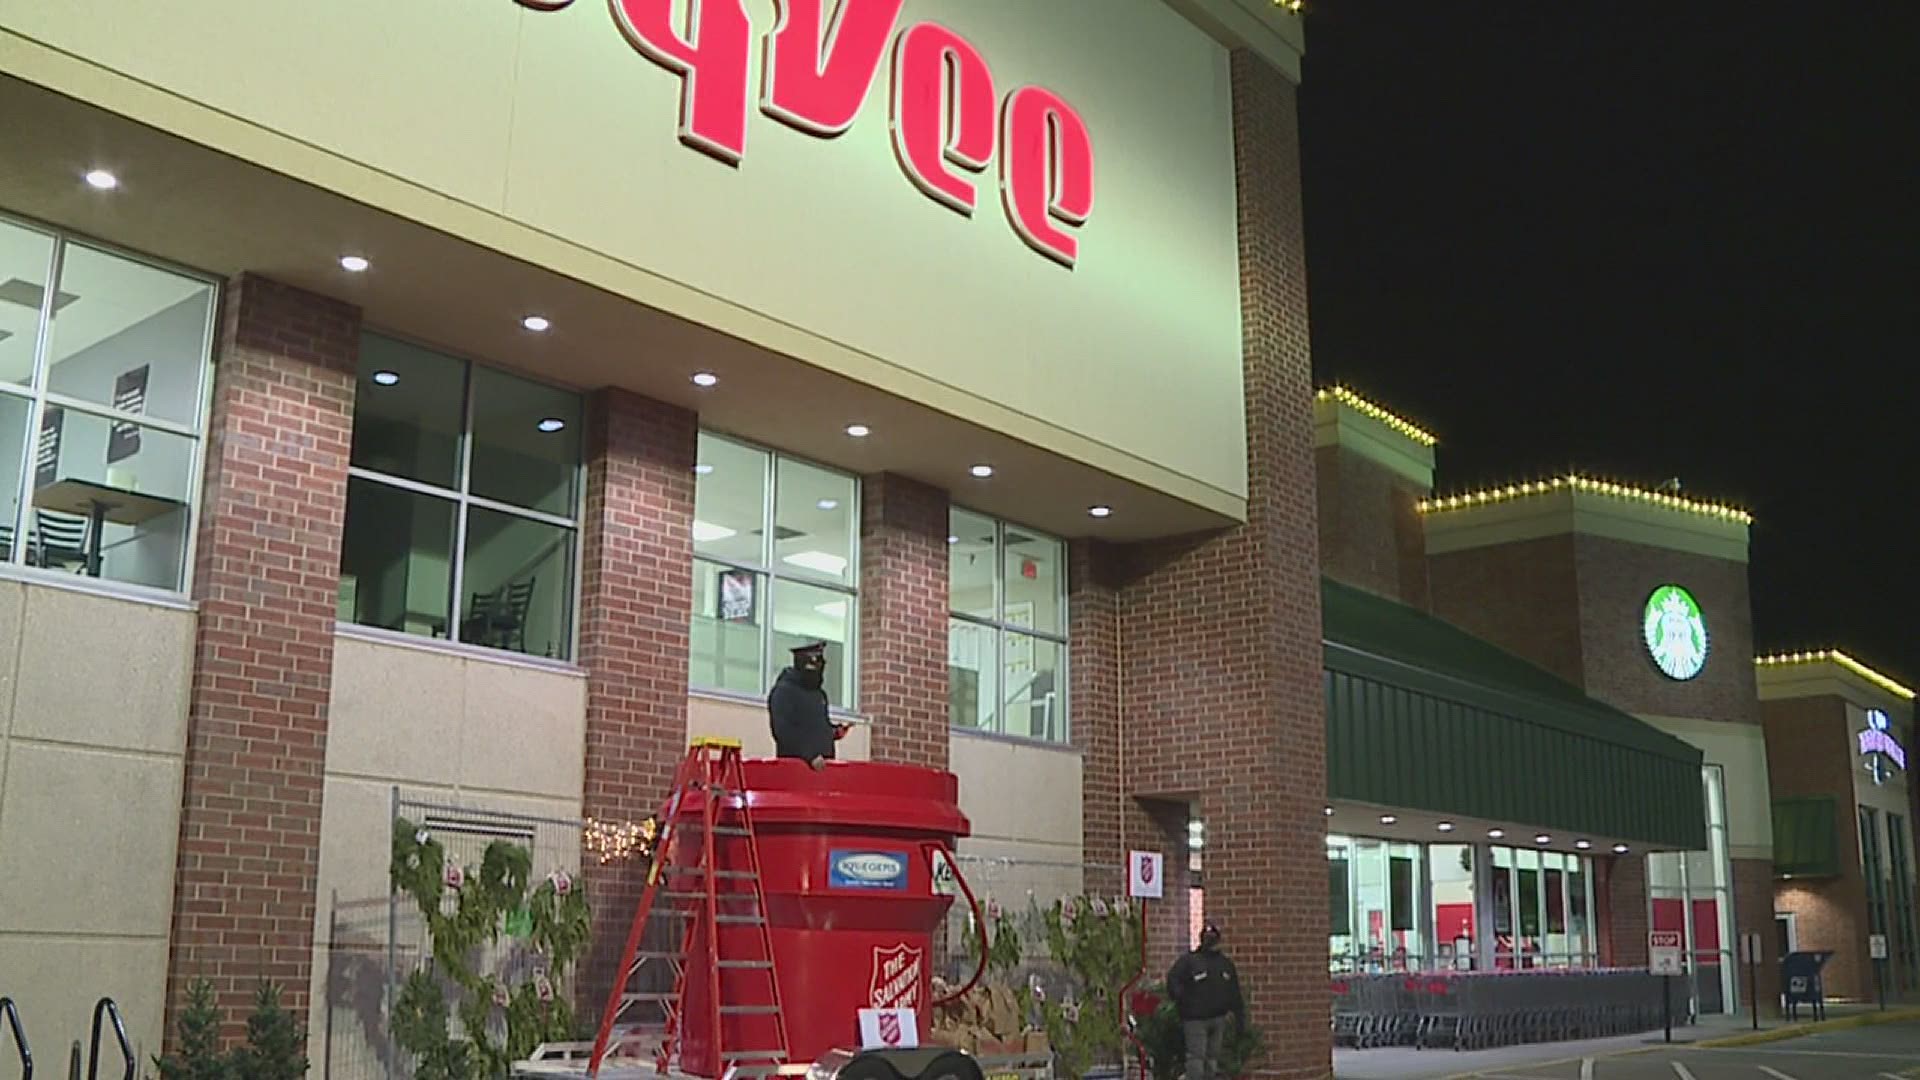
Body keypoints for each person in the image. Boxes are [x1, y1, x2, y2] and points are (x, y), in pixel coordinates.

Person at [1166, 921, 1245, 1080]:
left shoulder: (1225, 964)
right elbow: (1173, 981)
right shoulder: (1189, 961)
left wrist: (1239, 1019)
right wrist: (1184, 1002)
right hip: (1195, 1020)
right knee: (1196, 1058)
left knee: (1212, 1060)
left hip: (1218, 1018)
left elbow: (1234, 992)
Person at [767, 641, 848, 769]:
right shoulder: (784, 692)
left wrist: (833, 731)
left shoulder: (819, 694)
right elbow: (783, 732)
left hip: (824, 768)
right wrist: (809, 756)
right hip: (795, 770)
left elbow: (814, 726)